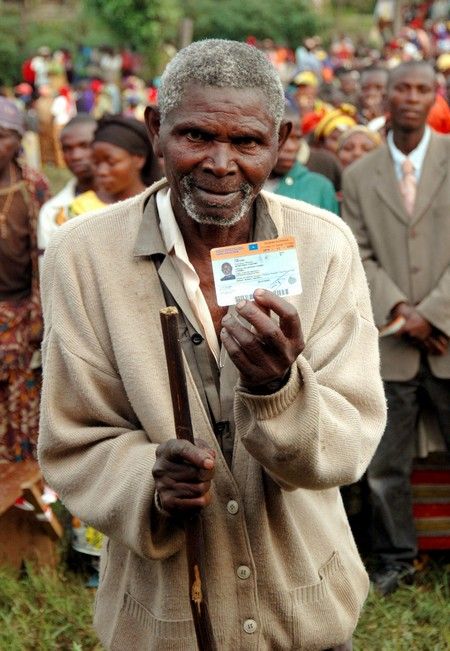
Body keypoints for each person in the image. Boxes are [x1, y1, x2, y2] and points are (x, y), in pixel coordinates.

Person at [39, 40, 386, 650]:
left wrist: (280, 391)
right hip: (163, 621)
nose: (221, 163)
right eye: (196, 136)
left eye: (248, 142)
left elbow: (348, 442)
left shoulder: (325, 245)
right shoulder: (82, 256)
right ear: (156, 131)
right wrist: (147, 481)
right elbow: (73, 439)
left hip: (305, 610)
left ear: (280, 141)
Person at [342, 61, 450, 596]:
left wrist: (436, 312)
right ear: (383, 96)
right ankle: (395, 559)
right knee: (387, 465)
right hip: (393, 340)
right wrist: (404, 311)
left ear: (436, 96)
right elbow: (357, 251)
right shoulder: (361, 175)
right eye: (400, 88)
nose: (411, 97)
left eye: (422, 89)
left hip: (448, 334)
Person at [0, 97, 50, 461]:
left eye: (2, 136)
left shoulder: (32, 188)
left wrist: (38, 315)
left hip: (22, 311)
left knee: (21, 404)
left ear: (18, 140)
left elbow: (42, 254)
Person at [69, 114, 161, 215]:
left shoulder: (159, 205)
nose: (101, 171)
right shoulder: (80, 208)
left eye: (111, 163)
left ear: (139, 159)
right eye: (96, 162)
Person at [38, 114, 97, 253]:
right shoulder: (53, 211)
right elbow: (48, 269)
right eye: (67, 149)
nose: (76, 155)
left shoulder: (130, 198)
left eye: (85, 146)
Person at [266, 105, 339, 214]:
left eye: (297, 138)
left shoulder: (320, 187)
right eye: (280, 138)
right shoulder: (244, 185)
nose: (291, 147)